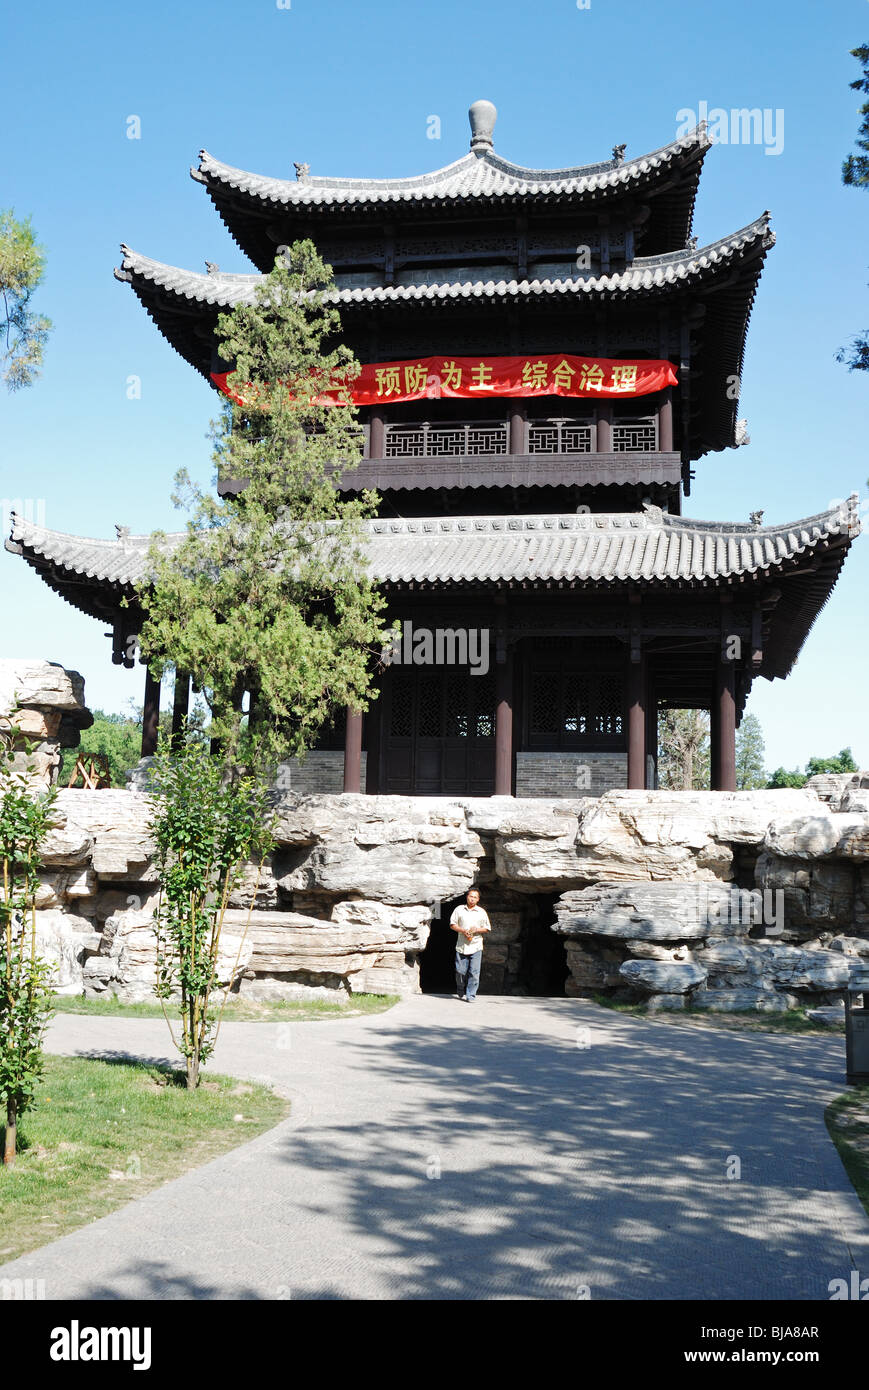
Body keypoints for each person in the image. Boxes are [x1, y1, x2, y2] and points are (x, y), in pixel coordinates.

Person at [449, 888, 491, 1002]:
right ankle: (460, 988)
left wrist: (476, 929)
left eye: (475, 897)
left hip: (476, 946)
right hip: (462, 945)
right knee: (460, 972)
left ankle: (471, 995)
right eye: (470, 896)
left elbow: (487, 928)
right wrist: (463, 930)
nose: (472, 899)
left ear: (478, 899)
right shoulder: (459, 909)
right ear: (467, 897)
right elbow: (452, 924)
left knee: (474, 972)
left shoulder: (481, 912)